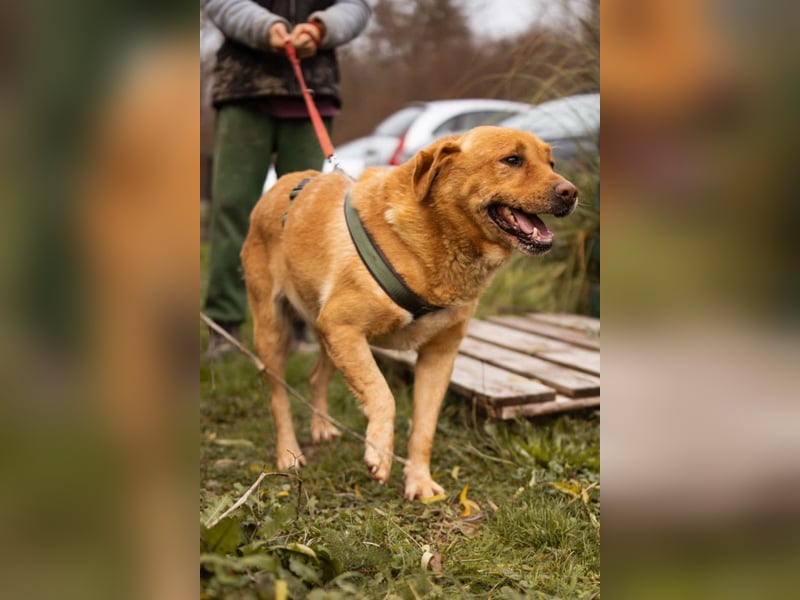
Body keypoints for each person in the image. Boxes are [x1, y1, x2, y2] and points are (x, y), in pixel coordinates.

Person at [203, 0, 372, 356]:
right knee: (232, 205)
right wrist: (266, 29)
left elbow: (356, 6)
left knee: (304, 220)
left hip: (313, 88)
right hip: (243, 88)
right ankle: (225, 326)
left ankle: (299, 327)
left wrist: (321, 28)